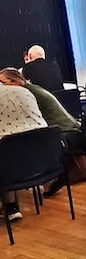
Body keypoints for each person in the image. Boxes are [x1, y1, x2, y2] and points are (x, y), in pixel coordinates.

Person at [0, 67, 86, 195]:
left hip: (64, 134)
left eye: (3, 82)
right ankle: (48, 178)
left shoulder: (25, 94)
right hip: (71, 129)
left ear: (15, 81)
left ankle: (22, 186)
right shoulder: (33, 89)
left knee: (20, 143)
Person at [0, 80, 49, 221]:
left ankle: (10, 205)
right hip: (44, 158)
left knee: (8, 149)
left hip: (11, 160)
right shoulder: (24, 91)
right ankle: (11, 206)